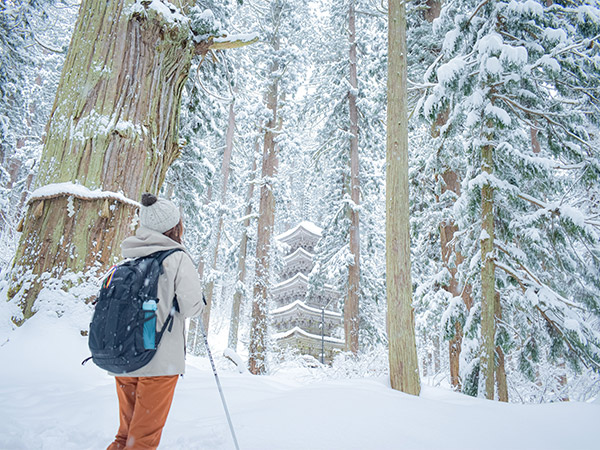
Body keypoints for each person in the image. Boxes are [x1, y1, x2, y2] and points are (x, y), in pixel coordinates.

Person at [107, 193, 204, 450]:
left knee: (125, 437)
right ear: (174, 226)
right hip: (159, 361)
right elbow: (191, 306)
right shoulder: (176, 258)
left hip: (125, 356)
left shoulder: (131, 256)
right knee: (143, 442)